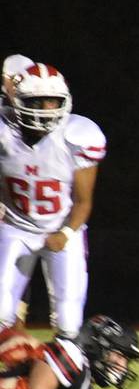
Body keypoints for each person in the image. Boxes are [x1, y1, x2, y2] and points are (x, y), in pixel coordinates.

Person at [0, 62, 106, 339]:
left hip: (62, 230)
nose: (45, 108)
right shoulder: (4, 132)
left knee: (69, 322)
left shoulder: (77, 136)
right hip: (15, 228)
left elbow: (83, 202)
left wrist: (67, 231)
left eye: (52, 101)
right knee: (0, 314)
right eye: (37, 100)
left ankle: (67, 381)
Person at [0, 314, 139, 389]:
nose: (123, 367)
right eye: (120, 356)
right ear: (99, 346)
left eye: (126, 361)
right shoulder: (72, 354)